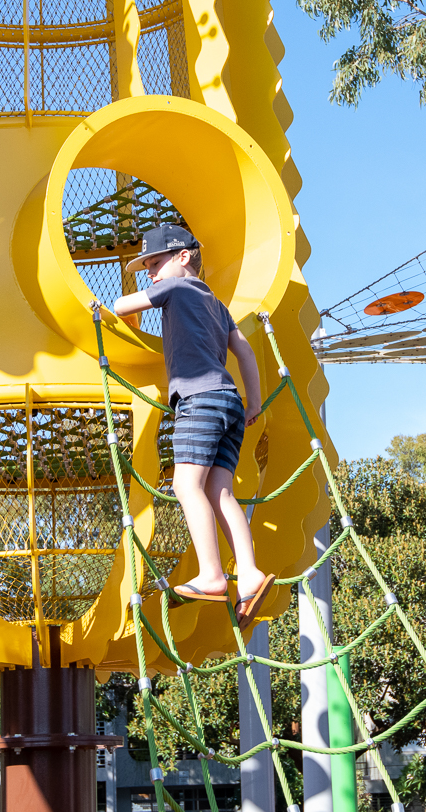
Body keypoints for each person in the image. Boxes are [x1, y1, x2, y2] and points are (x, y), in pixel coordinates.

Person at [109, 223, 268, 623]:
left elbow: (122, 306)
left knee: (185, 484)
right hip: (230, 403)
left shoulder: (175, 288)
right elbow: (245, 353)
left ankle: (212, 575)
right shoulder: (218, 305)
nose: (150, 273)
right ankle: (249, 574)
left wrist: (106, 307)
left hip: (199, 399)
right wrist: (254, 402)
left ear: (183, 257)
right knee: (220, 491)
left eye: (155, 263)